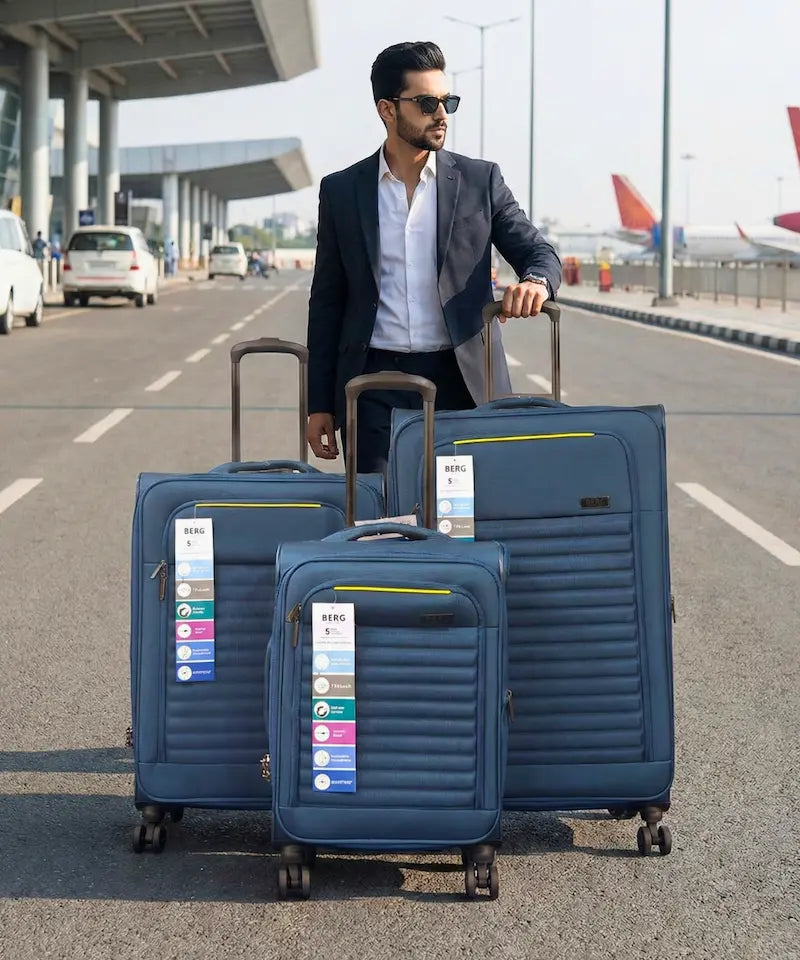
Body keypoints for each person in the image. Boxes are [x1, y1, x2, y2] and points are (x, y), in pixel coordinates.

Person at [306, 41, 561, 473]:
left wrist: (536, 281)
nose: (442, 114)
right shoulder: (342, 191)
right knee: (384, 519)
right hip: (373, 386)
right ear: (388, 110)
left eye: (447, 101)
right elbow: (327, 301)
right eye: (427, 103)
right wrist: (319, 404)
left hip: (462, 383)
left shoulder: (480, 181)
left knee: (459, 521)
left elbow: (536, 249)